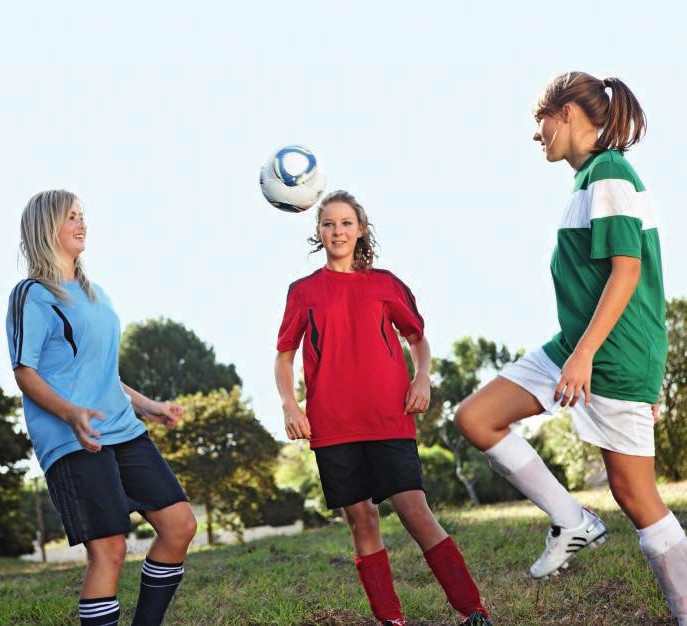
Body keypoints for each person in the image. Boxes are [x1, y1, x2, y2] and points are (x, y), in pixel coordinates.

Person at [454, 72, 686, 624]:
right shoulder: (587, 181)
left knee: (637, 497)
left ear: (565, 113)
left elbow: (628, 273)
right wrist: (575, 350)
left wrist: (588, 357)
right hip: (574, 346)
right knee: (477, 417)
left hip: (608, 355)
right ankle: (571, 519)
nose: (537, 136)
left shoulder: (610, 172)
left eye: (541, 121)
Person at [274, 190, 491, 626]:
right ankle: (391, 618)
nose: (337, 231)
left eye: (346, 223)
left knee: (415, 510)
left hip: (389, 417)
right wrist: (289, 405)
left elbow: (417, 338)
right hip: (332, 423)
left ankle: (473, 610)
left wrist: (421, 377)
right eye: (329, 224)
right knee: (362, 521)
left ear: (361, 229)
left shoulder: (386, 284)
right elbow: (284, 355)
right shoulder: (303, 292)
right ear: (318, 232)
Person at [6, 190, 197, 626]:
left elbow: (101, 373)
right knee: (109, 548)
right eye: (70, 216)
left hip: (123, 429)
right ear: (45, 227)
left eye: (82, 216)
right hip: (72, 437)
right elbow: (24, 371)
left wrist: (149, 406)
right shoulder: (32, 295)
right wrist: (71, 413)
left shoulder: (97, 294)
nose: (81, 223)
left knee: (180, 526)